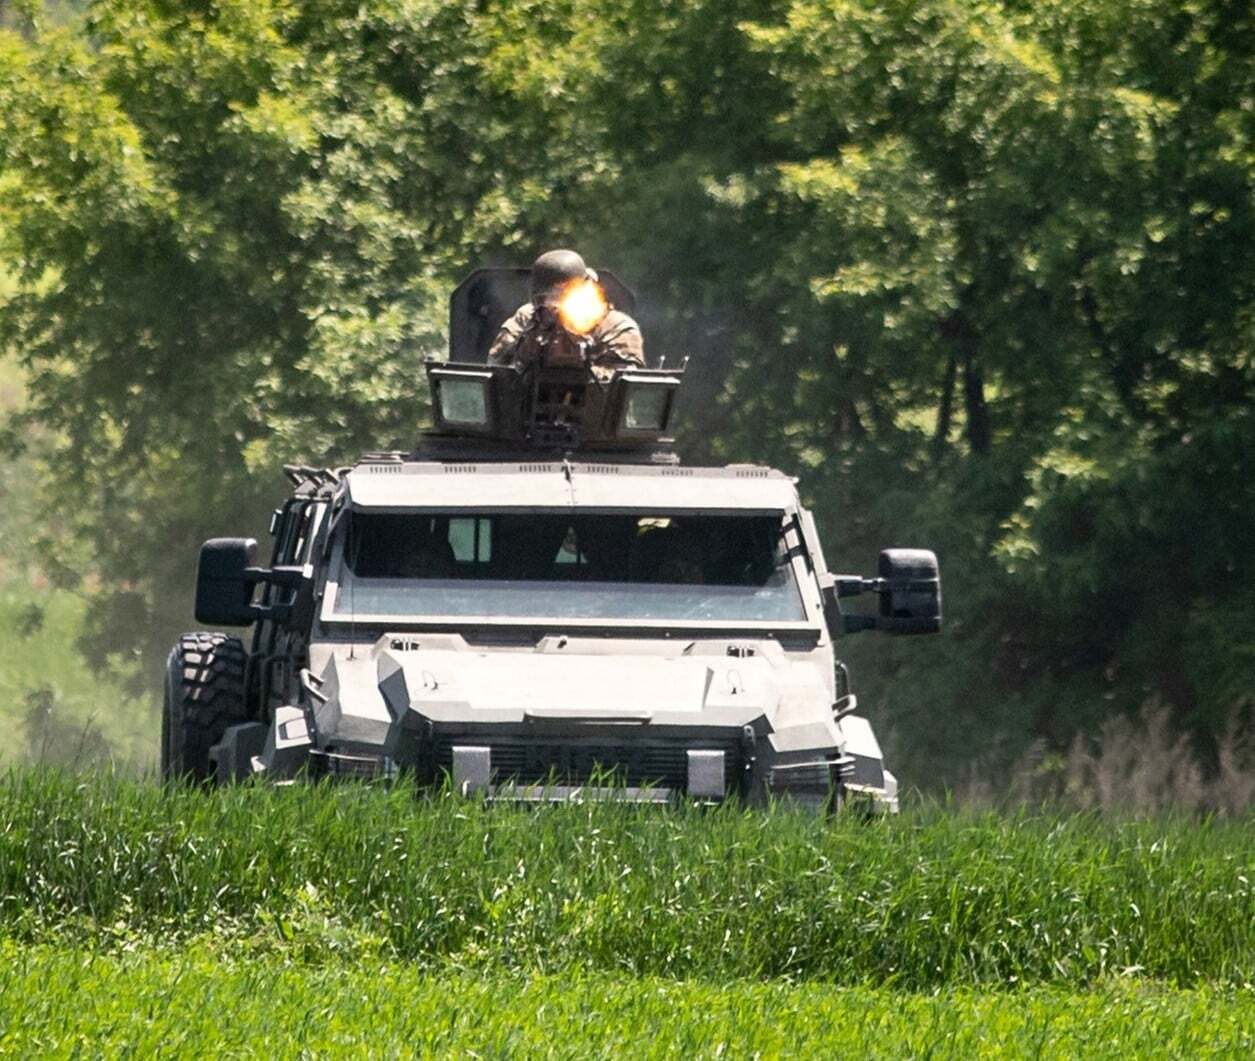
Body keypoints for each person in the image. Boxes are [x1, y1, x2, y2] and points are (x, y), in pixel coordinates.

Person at [488, 249, 645, 380]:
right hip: (528, 410)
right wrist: (527, 353)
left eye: (564, 297)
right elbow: (495, 368)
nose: (555, 307)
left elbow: (625, 381)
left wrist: (583, 366)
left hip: (596, 413)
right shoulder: (527, 318)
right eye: (545, 299)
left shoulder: (616, 327)